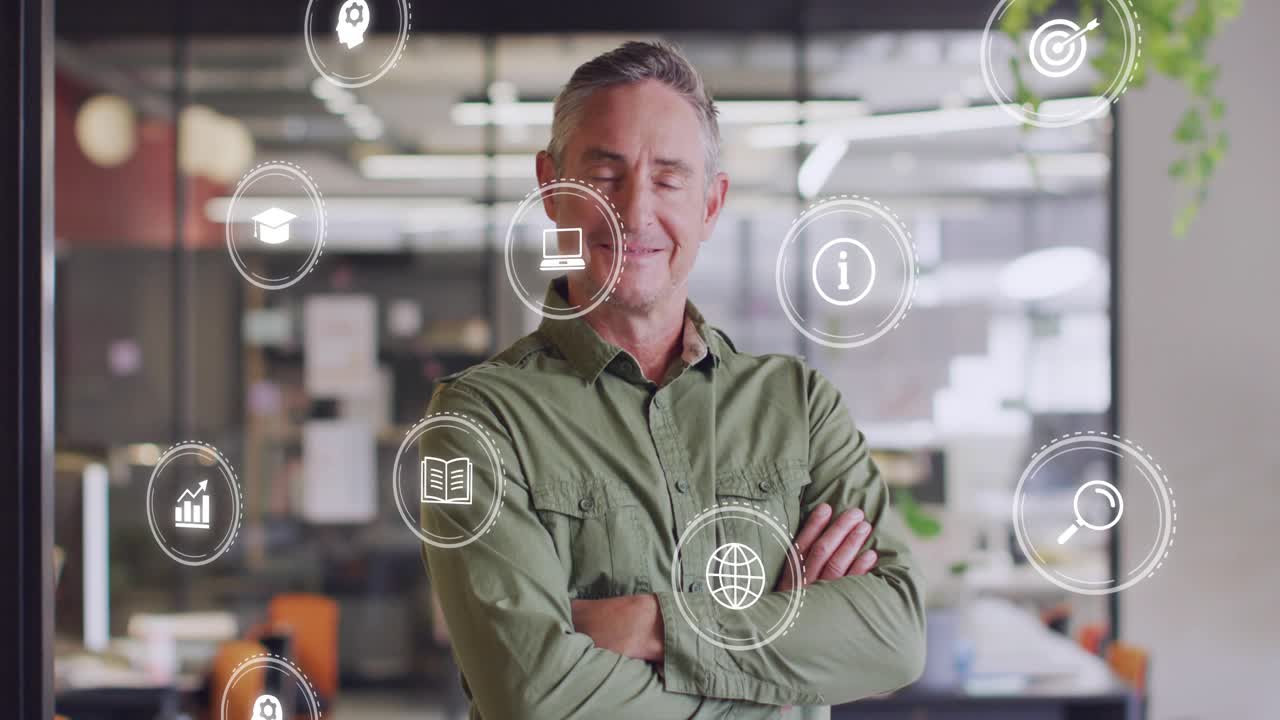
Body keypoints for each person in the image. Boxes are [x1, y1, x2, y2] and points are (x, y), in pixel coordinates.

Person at [421, 41, 925, 719]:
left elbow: (895, 637)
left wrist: (652, 625)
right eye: (606, 174)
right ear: (551, 186)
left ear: (711, 204)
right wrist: (777, 671)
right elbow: (533, 698)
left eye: (668, 179)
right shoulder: (476, 422)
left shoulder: (800, 408)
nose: (635, 212)